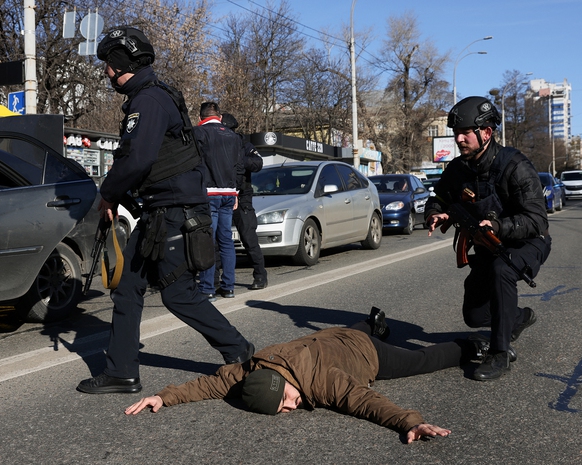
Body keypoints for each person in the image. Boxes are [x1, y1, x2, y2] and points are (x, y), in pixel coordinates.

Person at [77, 27, 254, 395]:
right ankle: (122, 371)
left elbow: (138, 159)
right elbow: (141, 159)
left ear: (121, 62)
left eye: (109, 64)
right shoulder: (148, 98)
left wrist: (107, 195)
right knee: (127, 288)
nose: (106, 72)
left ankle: (240, 351)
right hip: (160, 210)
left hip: (175, 211)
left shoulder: (149, 100)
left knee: (178, 294)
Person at [125, 308, 490, 443]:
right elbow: (208, 384)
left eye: (285, 401)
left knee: (419, 360)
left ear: (285, 384)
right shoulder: (251, 370)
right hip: (328, 337)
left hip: (362, 352)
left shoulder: (322, 382)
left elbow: (366, 400)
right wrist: (164, 396)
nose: (290, 409)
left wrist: (410, 422)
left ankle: (470, 346)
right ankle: (372, 321)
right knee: (351, 330)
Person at [425, 96, 551, 381]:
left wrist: (497, 226)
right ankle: (518, 317)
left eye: (465, 132)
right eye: (455, 133)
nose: (458, 139)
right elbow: (439, 197)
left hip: (527, 241)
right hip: (486, 245)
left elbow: (537, 220)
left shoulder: (515, 166)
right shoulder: (458, 169)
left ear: (486, 133)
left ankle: (501, 353)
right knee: (474, 316)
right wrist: (435, 213)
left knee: (501, 271)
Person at [192, 102, 244, 301]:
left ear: (201, 116)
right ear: (220, 117)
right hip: (229, 193)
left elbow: (194, 163)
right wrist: (236, 192)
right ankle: (229, 286)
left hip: (209, 194)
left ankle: (207, 288)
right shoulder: (234, 136)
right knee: (226, 241)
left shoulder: (199, 133)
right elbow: (239, 167)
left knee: (207, 241)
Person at [222, 113, 268, 290]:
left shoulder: (243, 145)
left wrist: (238, 158)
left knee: (248, 238)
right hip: (222, 195)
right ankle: (220, 281)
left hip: (242, 197)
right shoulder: (217, 145)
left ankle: (260, 275)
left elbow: (258, 163)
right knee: (218, 241)